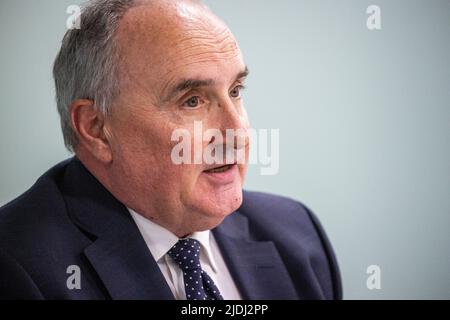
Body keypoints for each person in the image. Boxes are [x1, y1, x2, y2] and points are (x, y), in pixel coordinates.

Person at [0, 0, 342, 300]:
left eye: (236, 91)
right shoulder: (18, 267)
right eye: (192, 101)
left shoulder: (298, 234)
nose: (236, 131)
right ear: (96, 128)